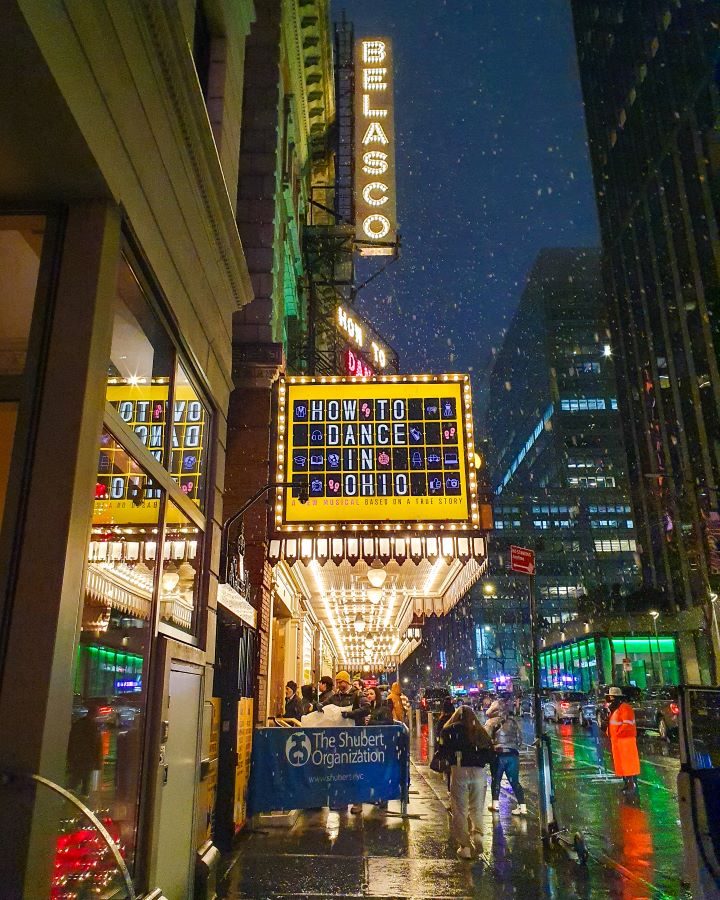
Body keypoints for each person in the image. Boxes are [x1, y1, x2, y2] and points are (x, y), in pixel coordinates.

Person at [438, 705, 493, 858]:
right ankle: (478, 835)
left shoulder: (449, 730)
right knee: (476, 808)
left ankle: (465, 847)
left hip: (459, 769)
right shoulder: (480, 731)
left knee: (459, 810)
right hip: (479, 772)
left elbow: (442, 752)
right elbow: (490, 752)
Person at [324, 671, 370, 813]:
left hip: (354, 737)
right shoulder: (336, 696)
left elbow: (367, 708)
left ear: (347, 681)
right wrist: (319, 706)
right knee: (342, 770)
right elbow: (325, 704)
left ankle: (357, 802)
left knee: (355, 770)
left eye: (340, 682)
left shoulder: (357, 694)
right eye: (337, 682)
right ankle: (342, 800)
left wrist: (351, 714)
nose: (338, 685)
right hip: (340, 738)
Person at [485, 699, 526, 815]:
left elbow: (485, 739)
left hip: (498, 755)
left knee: (496, 780)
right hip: (513, 755)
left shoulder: (491, 722)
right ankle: (522, 806)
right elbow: (519, 740)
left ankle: (495, 803)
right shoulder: (512, 722)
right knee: (515, 782)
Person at [606, 686, 640, 793]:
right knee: (622, 764)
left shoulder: (624, 708)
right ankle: (627, 783)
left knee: (629, 764)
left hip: (626, 741)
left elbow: (627, 724)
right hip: (618, 741)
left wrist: (616, 733)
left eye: (611, 697)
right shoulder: (615, 708)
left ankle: (631, 785)